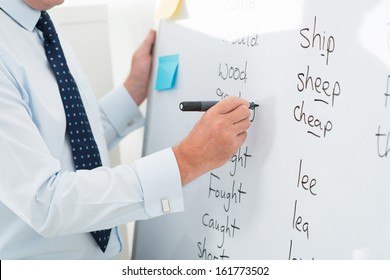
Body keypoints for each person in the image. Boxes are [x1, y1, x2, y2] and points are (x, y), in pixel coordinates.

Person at [0, 0, 251, 259]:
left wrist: (132, 92)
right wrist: (185, 161)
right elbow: (45, 202)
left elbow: (67, 145)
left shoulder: (41, 24)